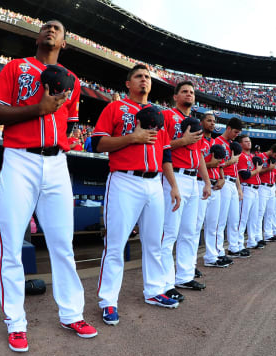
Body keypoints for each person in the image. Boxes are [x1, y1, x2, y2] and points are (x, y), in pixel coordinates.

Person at [0, 20, 97, 353]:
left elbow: (70, 123)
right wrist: (39, 109)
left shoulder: (73, 80)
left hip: (57, 163)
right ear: (38, 36)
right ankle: (15, 322)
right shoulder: (15, 68)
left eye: (58, 29)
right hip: (20, 160)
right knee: (10, 244)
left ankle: (71, 313)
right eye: (46, 26)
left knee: (63, 243)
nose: (50, 30)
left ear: (64, 43)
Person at [92, 64, 181, 327]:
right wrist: (132, 138)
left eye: (147, 77)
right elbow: (96, 144)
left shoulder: (159, 114)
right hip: (124, 180)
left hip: (155, 184)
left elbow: (165, 154)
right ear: (128, 83)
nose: (144, 80)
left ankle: (154, 290)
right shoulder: (115, 108)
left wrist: (173, 185)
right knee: (116, 243)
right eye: (139, 77)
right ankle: (108, 300)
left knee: (154, 242)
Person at [160, 81, 211, 301]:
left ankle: (184, 275)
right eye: (184, 91)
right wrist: (183, 140)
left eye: (191, 92)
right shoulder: (167, 116)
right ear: (175, 96)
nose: (189, 94)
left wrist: (207, 181)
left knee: (190, 231)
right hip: (175, 176)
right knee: (169, 232)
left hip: (193, 179)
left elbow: (199, 154)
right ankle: (165, 282)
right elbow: (159, 146)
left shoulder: (195, 122)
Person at [194, 112, 232, 268]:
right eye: (208, 120)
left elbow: (221, 165)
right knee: (196, 226)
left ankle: (211, 256)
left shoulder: (215, 142)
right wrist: (213, 164)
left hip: (216, 186)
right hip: (200, 183)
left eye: (213, 121)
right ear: (201, 122)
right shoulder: (198, 139)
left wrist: (222, 178)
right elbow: (196, 164)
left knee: (213, 224)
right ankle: (191, 264)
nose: (212, 123)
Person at [214, 117, 245, 258]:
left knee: (234, 219)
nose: (236, 135)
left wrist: (239, 188)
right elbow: (215, 164)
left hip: (233, 182)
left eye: (239, 133)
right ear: (228, 128)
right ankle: (218, 251)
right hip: (224, 182)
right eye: (235, 132)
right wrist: (229, 162)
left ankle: (233, 247)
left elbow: (236, 170)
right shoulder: (217, 142)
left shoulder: (232, 145)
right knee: (221, 220)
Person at [237, 135, 262, 250]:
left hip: (256, 189)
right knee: (243, 218)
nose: (249, 143)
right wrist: (257, 170)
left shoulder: (251, 156)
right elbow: (245, 175)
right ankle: (239, 244)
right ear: (240, 144)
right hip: (246, 188)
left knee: (254, 217)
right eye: (246, 141)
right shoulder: (241, 156)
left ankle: (251, 241)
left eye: (249, 141)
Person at [256, 143, 276, 244]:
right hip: (262, 186)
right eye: (275, 155)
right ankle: (258, 236)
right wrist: (269, 168)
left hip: (272, 186)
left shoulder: (275, 160)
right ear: (271, 151)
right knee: (260, 212)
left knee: (270, 211)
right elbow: (257, 171)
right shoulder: (261, 157)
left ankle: (268, 234)